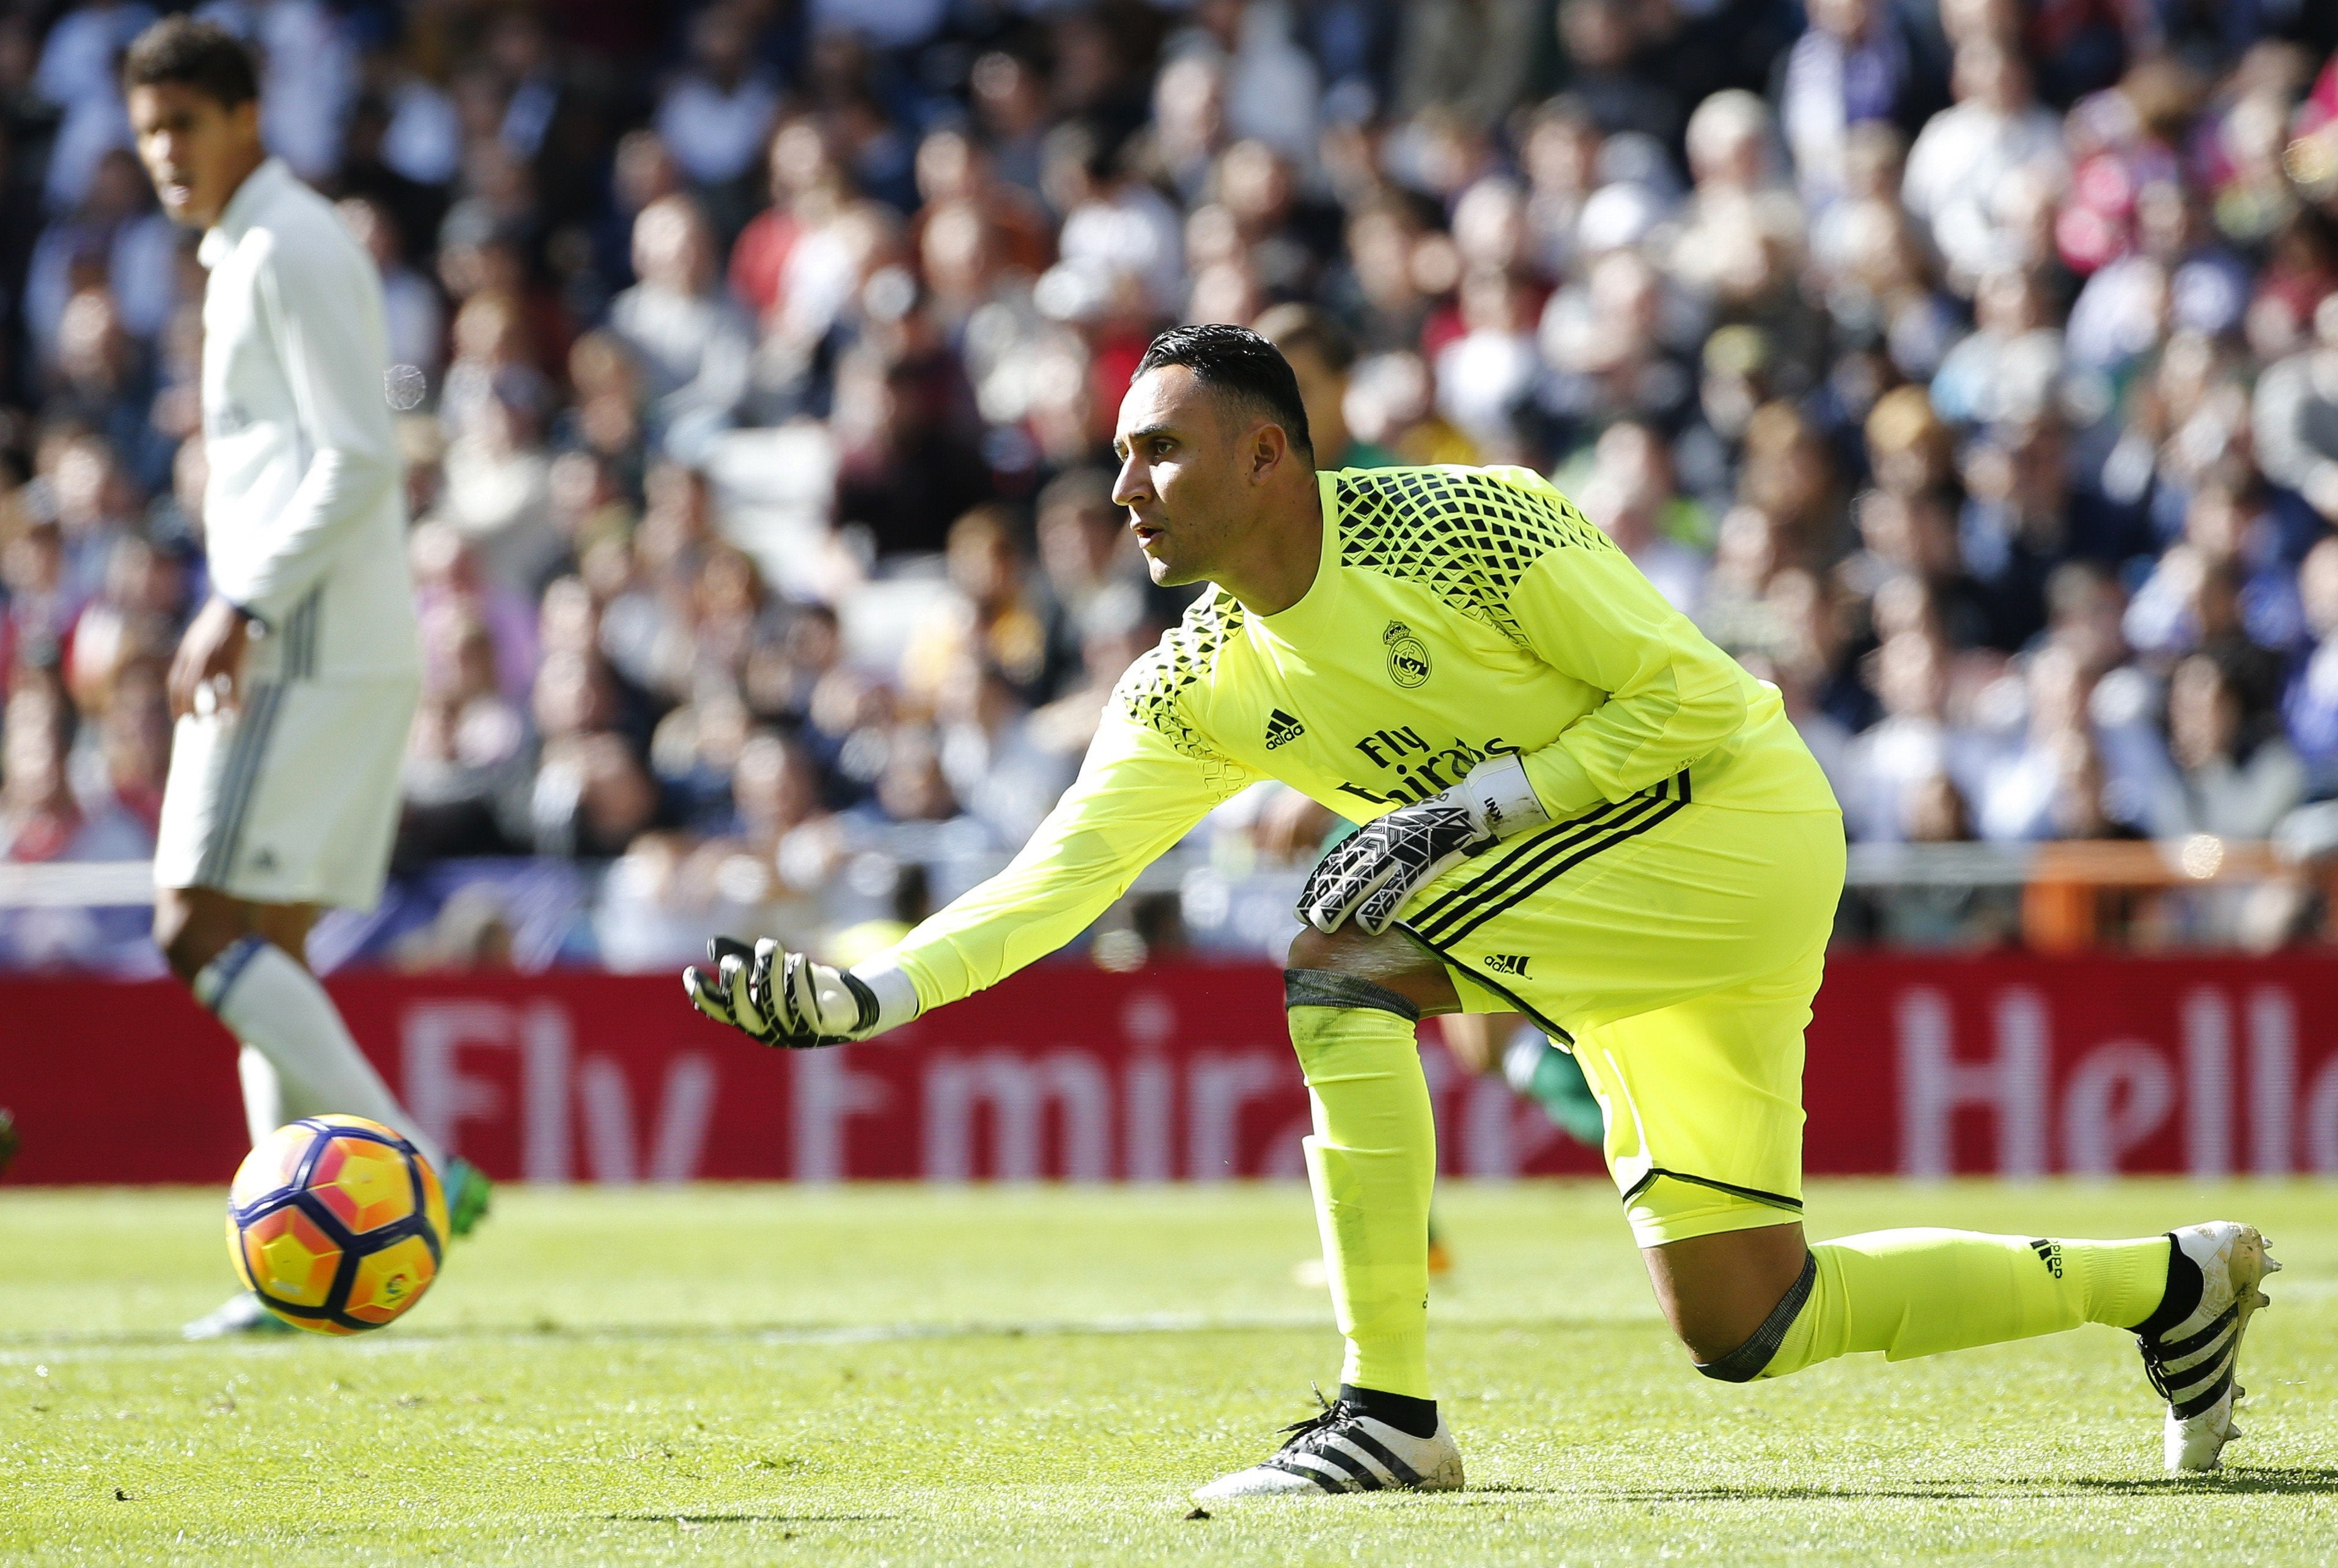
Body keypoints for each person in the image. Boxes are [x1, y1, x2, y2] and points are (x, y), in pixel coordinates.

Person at [685, 325, 2276, 1495]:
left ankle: (1389, 1409)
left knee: (1339, 958)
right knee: (1748, 1318)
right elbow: (1059, 878)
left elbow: (1701, 702)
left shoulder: (1468, 523)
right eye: (1118, 456)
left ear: (1269, 455)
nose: (1125, 488)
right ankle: (2176, 1280)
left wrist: (1483, 800)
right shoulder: (1194, 682)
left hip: (1735, 822)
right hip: (1630, 914)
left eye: (1158, 448)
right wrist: (867, 994)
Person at [122, 19, 490, 1341]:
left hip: (305, 642)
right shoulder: (252, 246)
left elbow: (358, 456)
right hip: (325, 636)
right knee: (263, 948)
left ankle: (415, 1163)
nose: (165, 153)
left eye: (185, 126)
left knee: (193, 927)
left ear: (245, 117)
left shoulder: (288, 243)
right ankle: (290, 1276)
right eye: (149, 129)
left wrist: (241, 599)